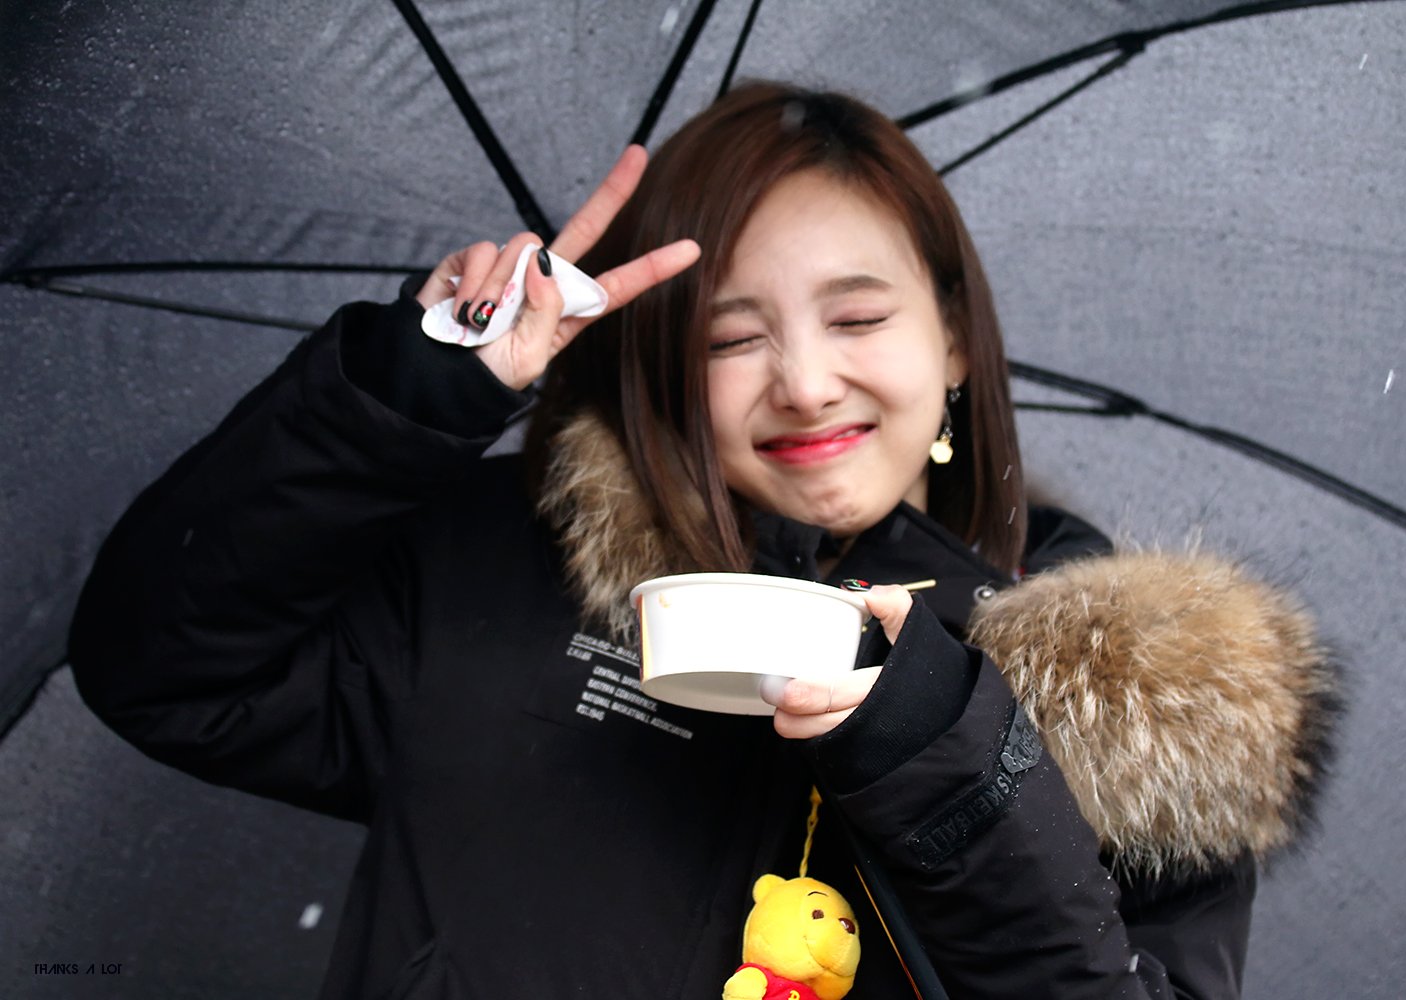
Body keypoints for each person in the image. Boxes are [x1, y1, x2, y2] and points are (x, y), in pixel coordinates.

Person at [69, 82, 1338, 998]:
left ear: (952, 339)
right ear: (667, 366)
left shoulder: (1145, 706)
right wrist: (424, 387)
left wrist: (946, 754)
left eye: (858, 318)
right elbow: (166, 668)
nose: (806, 382)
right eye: (732, 336)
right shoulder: (503, 564)